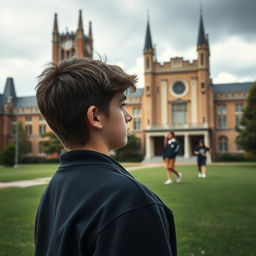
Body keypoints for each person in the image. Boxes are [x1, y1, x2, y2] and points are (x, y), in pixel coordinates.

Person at [34, 58, 177, 256]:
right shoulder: (128, 199)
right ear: (95, 117)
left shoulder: (54, 189)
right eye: (121, 105)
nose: (129, 116)